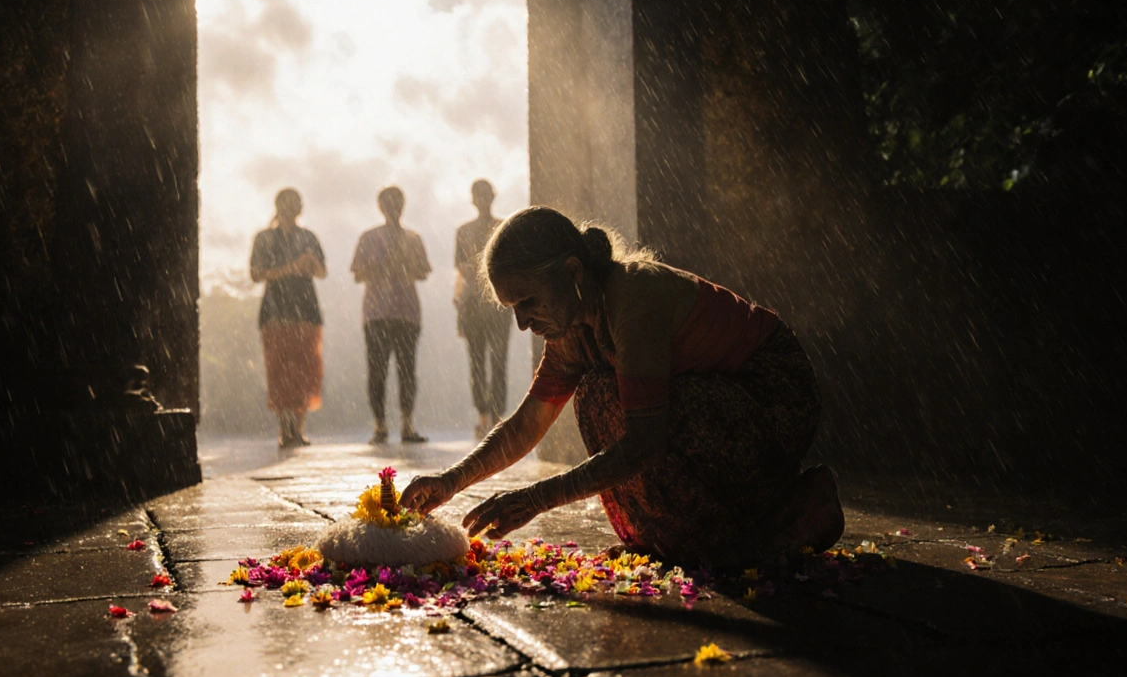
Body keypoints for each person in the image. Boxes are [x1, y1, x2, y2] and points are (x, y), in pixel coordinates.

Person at [402, 206, 845, 570]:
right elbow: (528, 423)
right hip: (718, 401)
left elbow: (644, 443)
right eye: (512, 309)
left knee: (602, 398)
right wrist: (451, 480)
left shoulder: (634, 298)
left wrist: (535, 499)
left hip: (772, 398)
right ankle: (699, 536)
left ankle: (791, 511)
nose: (521, 323)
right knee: (598, 394)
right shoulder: (571, 327)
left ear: (573, 272)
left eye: (528, 302)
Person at [351, 186, 432, 444]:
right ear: (380, 207)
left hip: (405, 311)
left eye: (397, 202)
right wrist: (385, 266)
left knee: (407, 369)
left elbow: (423, 272)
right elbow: (358, 274)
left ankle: (406, 423)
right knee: (378, 370)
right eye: (389, 202)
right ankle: (380, 424)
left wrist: (403, 265)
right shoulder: (368, 238)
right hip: (377, 312)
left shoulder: (413, 238)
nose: (394, 207)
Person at [249, 188, 327, 448]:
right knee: (279, 370)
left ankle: (298, 428)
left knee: (306, 369)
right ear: (278, 206)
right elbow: (256, 274)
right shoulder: (265, 238)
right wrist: (292, 267)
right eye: (288, 203)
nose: (292, 208)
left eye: (296, 203)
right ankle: (286, 427)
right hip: (276, 311)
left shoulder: (308, 237)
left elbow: (322, 272)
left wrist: (310, 263)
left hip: (306, 311)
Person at [453, 180, 512, 440]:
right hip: (481, 304)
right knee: (480, 362)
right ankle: (486, 417)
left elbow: (464, 269)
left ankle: (494, 417)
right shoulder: (491, 228)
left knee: (494, 362)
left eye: (485, 195)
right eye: (480, 195)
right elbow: (461, 270)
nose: (483, 200)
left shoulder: (500, 227)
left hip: (495, 303)